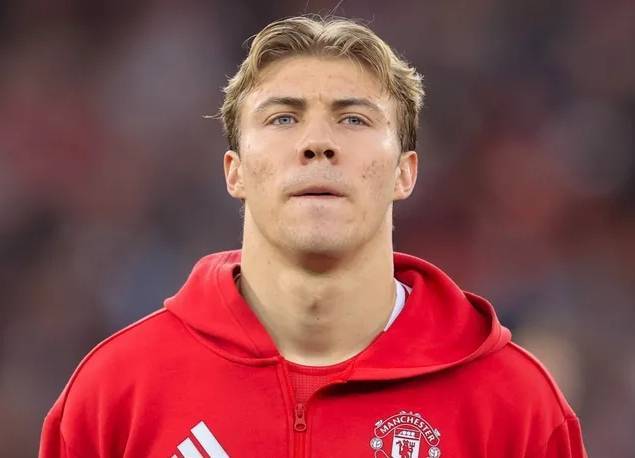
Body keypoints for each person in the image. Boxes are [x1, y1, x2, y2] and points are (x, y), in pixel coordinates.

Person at [39, 15, 588, 458]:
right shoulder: (118, 393)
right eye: (283, 118)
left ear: (405, 172)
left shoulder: (514, 404)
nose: (318, 143)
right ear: (234, 171)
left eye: (353, 119)